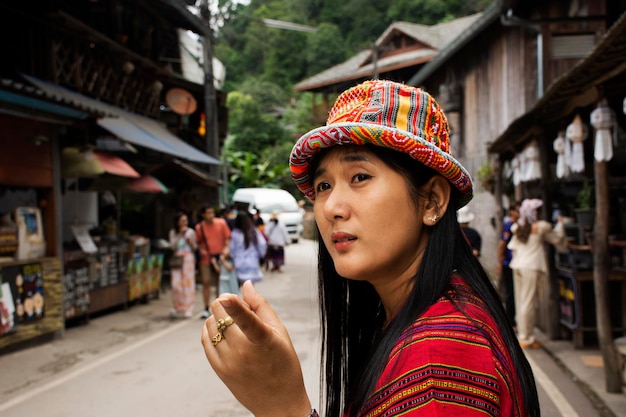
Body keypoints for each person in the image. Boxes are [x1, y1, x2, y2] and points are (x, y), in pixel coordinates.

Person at [201, 80, 540, 417]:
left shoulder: (438, 358)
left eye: (360, 177)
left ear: (432, 201)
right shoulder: (413, 318)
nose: (332, 206)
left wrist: (283, 405)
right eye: (323, 185)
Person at [508, 198, 566, 349]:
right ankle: (526, 337)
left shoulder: (518, 228)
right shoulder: (541, 227)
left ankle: (523, 334)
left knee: (521, 301)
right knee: (528, 303)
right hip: (531, 267)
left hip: (518, 265)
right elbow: (558, 239)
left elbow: (512, 247)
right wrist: (560, 223)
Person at [195, 206, 231, 318]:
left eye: (212, 212)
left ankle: (218, 307)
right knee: (206, 282)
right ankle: (206, 307)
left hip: (220, 257)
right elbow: (199, 243)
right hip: (206, 258)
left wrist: (226, 249)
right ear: (203, 215)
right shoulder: (199, 227)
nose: (211, 215)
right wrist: (201, 250)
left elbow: (227, 238)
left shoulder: (221, 223)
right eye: (208, 213)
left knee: (219, 283)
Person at [497, 202, 521, 328]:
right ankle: (510, 321)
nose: (519, 213)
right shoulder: (509, 226)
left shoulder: (518, 225)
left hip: (517, 264)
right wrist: (500, 262)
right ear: (511, 211)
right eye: (517, 211)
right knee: (510, 292)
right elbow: (502, 245)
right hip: (509, 263)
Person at [168, 212, 196, 318]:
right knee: (176, 284)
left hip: (188, 259)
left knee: (188, 284)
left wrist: (190, 242)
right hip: (177, 259)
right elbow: (172, 246)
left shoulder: (191, 232)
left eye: (186, 220)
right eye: (182, 221)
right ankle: (178, 306)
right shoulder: (173, 232)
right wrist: (180, 234)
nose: (185, 223)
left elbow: (195, 247)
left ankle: (188, 308)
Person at [229, 212, 267, 285]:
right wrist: (261, 256)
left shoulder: (235, 233)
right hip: (252, 261)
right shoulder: (254, 231)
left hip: (239, 262)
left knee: (244, 286)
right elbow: (262, 245)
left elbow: (232, 249)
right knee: (251, 287)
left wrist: (234, 257)